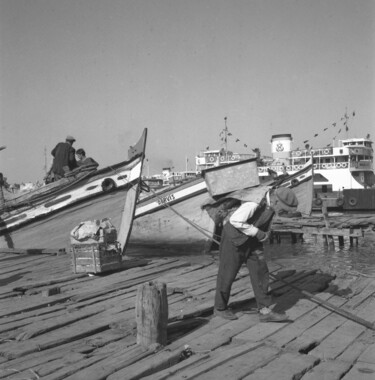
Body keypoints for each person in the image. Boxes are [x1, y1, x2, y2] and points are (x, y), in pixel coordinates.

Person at [213, 187, 299, 322]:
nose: (283, 212)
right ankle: (220, 308)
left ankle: (265, 311)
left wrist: (263, 235)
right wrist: (258, 233)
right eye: (283, 208)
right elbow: (236, 220)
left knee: (261, 271)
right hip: (233, 239)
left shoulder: (272, 206)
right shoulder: (254, 203)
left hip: (252, 241)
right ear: (276, 201)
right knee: (227, 274)